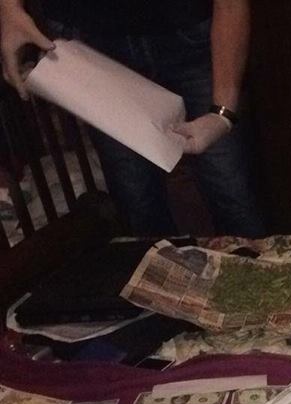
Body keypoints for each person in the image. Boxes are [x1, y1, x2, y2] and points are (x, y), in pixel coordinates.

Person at [0, 0, 265, 237]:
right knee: (137, 203)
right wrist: (9, 10)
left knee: (234, 193)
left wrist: (223, 114)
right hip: (90, 34)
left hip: (188, 27)